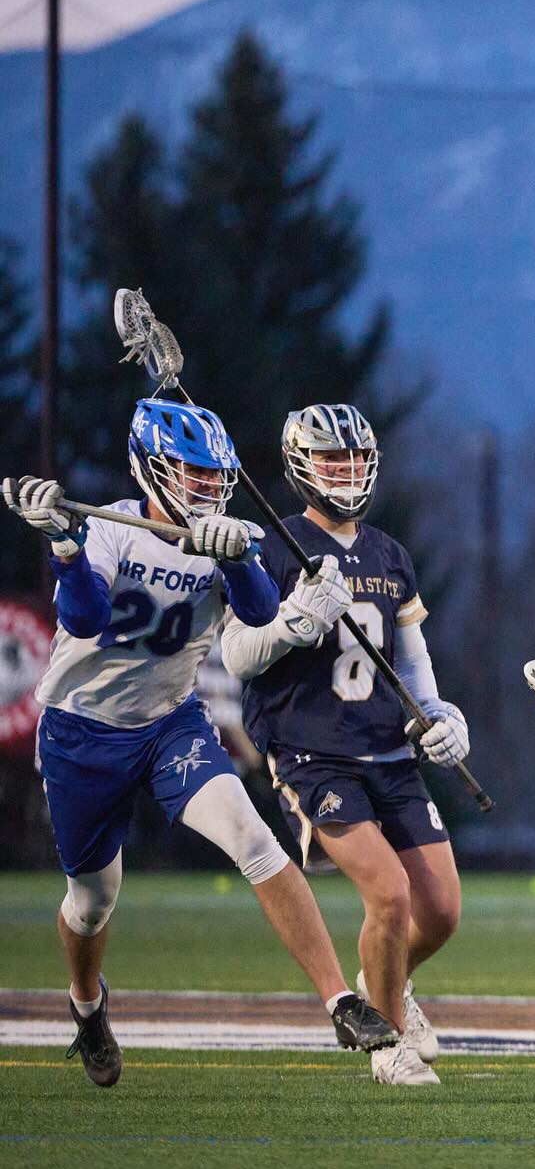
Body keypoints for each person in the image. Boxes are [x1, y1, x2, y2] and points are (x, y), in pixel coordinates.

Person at [2, 398, 397, 1087]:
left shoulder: (226, 530)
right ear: (150, 470)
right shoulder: (109, 530)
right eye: (190, 472)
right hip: (81, 732)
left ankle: (339, 999)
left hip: (169, 722)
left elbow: (259, 610)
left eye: (215, 474)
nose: (208, 487)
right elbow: (86, 616)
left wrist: (241, 558)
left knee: (252, 836)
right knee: (93, 901)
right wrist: (65, 546)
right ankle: (87, 1003)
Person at [221, 403, 469, 1086]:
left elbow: (413, 666)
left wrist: (441, 715)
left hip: (387, 750)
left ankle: (384, 978)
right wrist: (294, 622)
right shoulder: (272, 544)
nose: (347, 471)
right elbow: (237, 654)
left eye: (356, 459)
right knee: (388, 895)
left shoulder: (390, 555)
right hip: (313, 751)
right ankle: (387, 1043)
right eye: (333, 460)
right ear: (302, 464)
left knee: (441, 910)